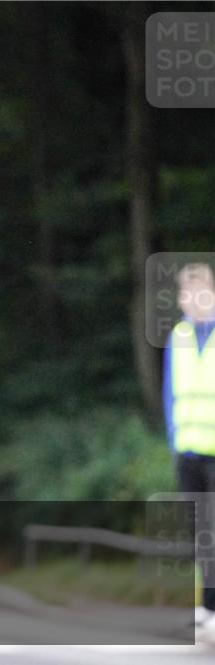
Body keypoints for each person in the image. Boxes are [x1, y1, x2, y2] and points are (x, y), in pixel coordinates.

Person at [163, 262, 215, 628]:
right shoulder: (177, 336)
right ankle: (208, 607)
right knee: (200, 534)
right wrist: (174, 442)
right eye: (182, 293)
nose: (184, 300)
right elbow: (170, 395)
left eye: (190, 292)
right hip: (188, 452)